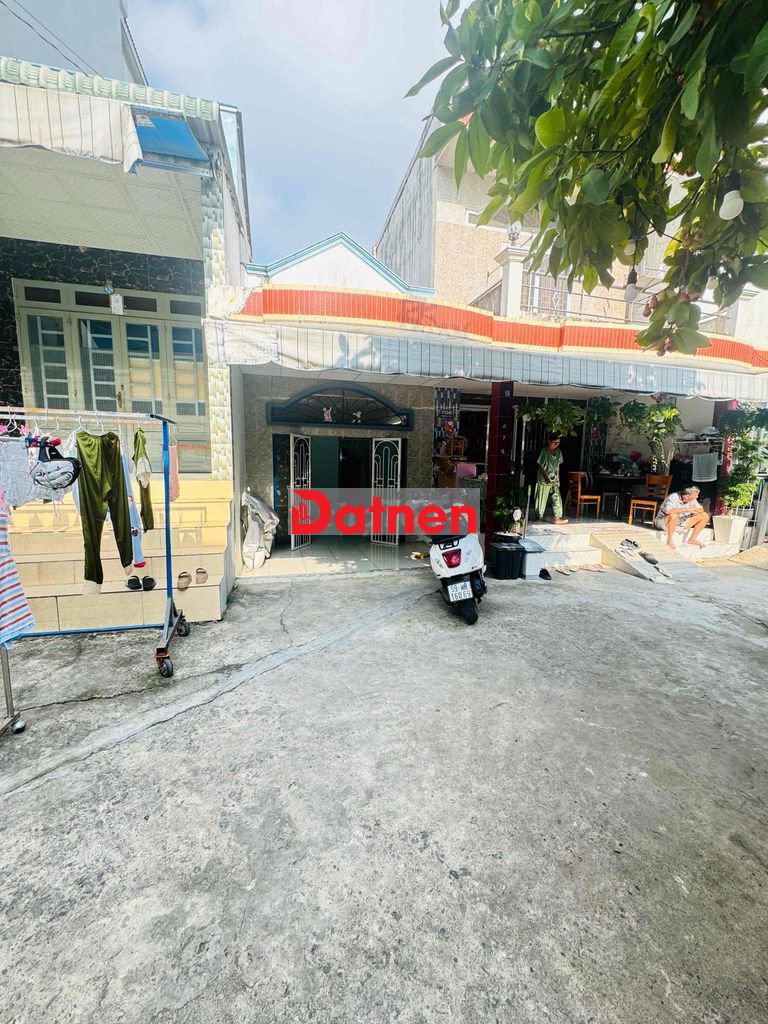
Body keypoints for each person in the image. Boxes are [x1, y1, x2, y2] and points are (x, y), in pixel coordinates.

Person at [535, 433, 569, 524]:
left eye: (558, 443)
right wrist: (546, 478)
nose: (556, 445)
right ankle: (539, 517)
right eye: (554, 443)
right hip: (544, 480)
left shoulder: (558, 452)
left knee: (557, 498)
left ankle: (557, 517)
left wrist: (559, 478)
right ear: (549, 441)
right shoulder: (544, 451)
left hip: (554, 479)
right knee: (541, 499)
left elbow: (558, 466)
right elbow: (540, 466)